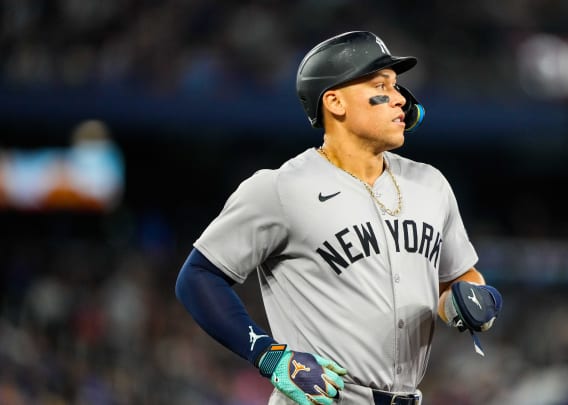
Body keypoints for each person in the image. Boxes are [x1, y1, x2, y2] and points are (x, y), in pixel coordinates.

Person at [175, 31, 502, 405]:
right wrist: (269, 355)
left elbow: (458, 279)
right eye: (382, 86)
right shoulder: (281, 189)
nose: (400, 99)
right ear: (335, 102)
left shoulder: (430, 184)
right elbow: (198, 278)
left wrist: (470, 302)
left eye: (397, 87)